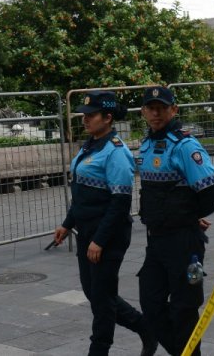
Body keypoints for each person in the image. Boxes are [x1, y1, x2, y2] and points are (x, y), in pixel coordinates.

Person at [54, 91, 158, 356]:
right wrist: (67, 224)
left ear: (108, 117)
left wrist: (99, 240)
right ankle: (146, 328)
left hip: (108, 235)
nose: (85, 120)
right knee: (95, 293)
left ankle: (99, 350)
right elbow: (81, 194)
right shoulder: (90, 145)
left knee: (101, 300)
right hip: (87, 231)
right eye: (84, 116)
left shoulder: (116, 152)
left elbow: (120, 203)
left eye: (91, 116)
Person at [135, 86, 214, 356]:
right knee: (150, 303)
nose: (156, 112)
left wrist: (190, 217)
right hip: (157, 240)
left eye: (162, 107)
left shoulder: (185, 145)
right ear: (144, 112)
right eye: (151, 107)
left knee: (184, 308)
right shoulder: (147, 145)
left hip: (184, 242)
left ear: (174, 110)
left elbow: (211, 192)